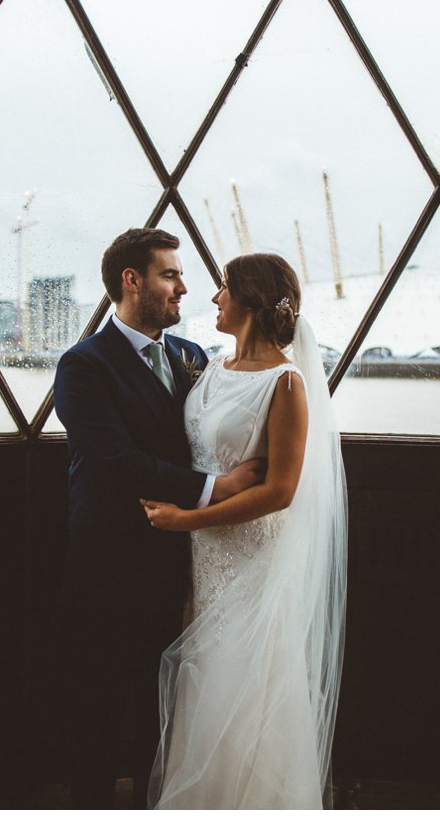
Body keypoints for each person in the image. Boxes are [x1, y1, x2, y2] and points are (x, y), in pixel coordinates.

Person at [53, 228, 264, 809]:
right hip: (110, 567)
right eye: (170, 274)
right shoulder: (83, 366)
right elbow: (113, 461)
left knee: (168, 709)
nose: (183, 287)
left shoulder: (192, 357)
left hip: (188, 563)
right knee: (97, 709)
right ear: (132, 281)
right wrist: (215, 487)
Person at [141, 253, 348, 809]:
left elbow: (280, 491)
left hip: (251, 565)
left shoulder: (287, 385)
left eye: (224, 288)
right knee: (203, 688)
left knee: (241, 689)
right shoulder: (211, 366)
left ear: (251, 301)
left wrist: (189, 518)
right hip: (201, 565)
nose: (213, 297)